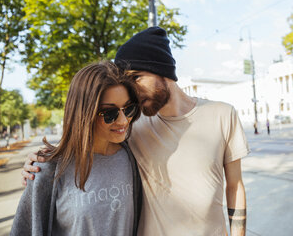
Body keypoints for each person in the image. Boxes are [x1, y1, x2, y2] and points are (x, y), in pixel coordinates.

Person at [22, 27, 250, 236]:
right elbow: (90, 128)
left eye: (136, 77)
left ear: (164, 71)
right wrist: (45, 161)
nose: (132, 90)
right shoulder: (132, 124)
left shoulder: (223, 115)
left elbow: (235, 185)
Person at [13, 61, 142, 236]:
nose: (122, 121)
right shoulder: (48, 168)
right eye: (109, 113)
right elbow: (24, 230)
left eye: (128, 109)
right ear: (84, 113)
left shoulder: (134, 156)